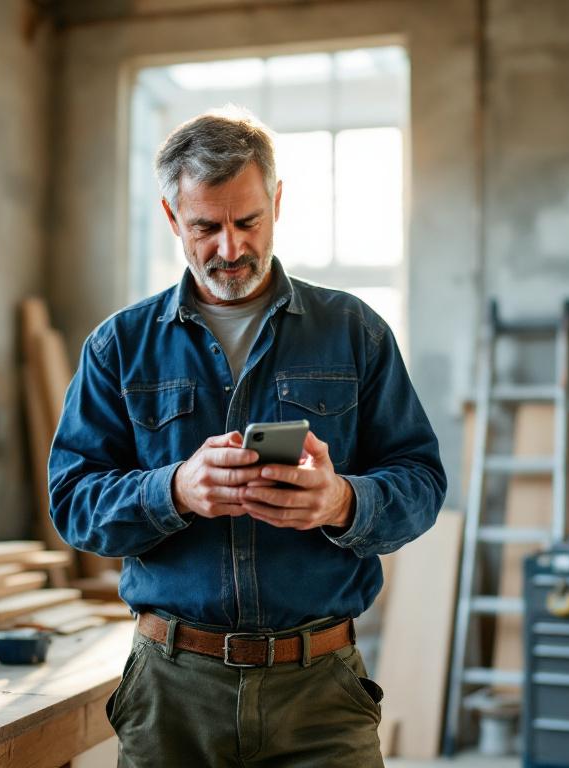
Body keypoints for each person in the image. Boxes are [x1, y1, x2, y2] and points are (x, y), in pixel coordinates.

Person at [49, 107, 447, 767]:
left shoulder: (355, 332)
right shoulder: (118, 346)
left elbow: (422, 481)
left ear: (278, 203)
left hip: (321, 693)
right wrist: (173, 490)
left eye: (248, 222)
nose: (231, 249)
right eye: (206, 227)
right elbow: (71, 501)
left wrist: (342, 502)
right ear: (172, 217)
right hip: (172, 693)